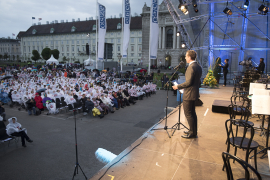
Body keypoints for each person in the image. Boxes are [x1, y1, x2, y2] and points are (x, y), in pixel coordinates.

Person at [172, 50, 202, 139]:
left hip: (189, 94)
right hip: (194, 93)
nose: (185, 58)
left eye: (186, 56)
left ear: (189, 57)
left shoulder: (191, 67)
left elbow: (188, 82)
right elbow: (197, 82)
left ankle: (192, 133)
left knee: (188, 114)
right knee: (193, 113)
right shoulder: (198, 66)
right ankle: (193, 131)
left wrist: (178, 86)